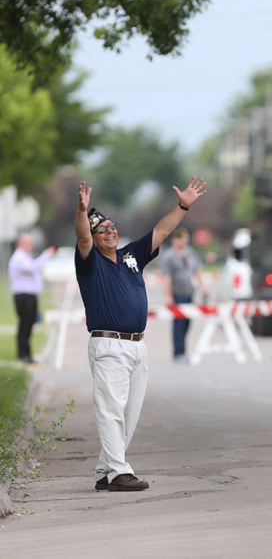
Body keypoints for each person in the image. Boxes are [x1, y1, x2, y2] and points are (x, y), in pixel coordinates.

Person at [74, 176, 206, 492]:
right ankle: (120, 472)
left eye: (112, 227)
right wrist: (81, 212)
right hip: (109, 344)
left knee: (129, 413)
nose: (109, 232)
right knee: (111, 409)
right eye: (101, 229)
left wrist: (183, 206)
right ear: (93, 236)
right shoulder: (90, 261)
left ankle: (106, 470)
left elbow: (160, 232)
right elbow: (81, 237)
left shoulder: (131, 255)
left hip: (136, 346)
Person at [159, 227, 208, 364]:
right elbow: (166, 277)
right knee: (178, 324)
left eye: (185, 239)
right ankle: (179, 352)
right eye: (180, 239)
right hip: (177, 293)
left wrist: (202, 287)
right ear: (175, 240)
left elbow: (197, 270)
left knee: (187, 323)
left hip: (189, 292)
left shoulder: (190, 253)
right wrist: (168, 295)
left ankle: (183, 350)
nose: (183, 242)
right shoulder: (169, 256)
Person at [8, 234, 57, 364]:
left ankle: (25, 353)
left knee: (28, 325)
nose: (32, 245)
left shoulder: (25, 257)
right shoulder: (19, 257)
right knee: (25, 325)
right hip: (24, 296)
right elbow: (34, 267)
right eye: (29, 243)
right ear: (21, 243)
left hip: (29, 296)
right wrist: (47, 255)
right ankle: (24, 354)